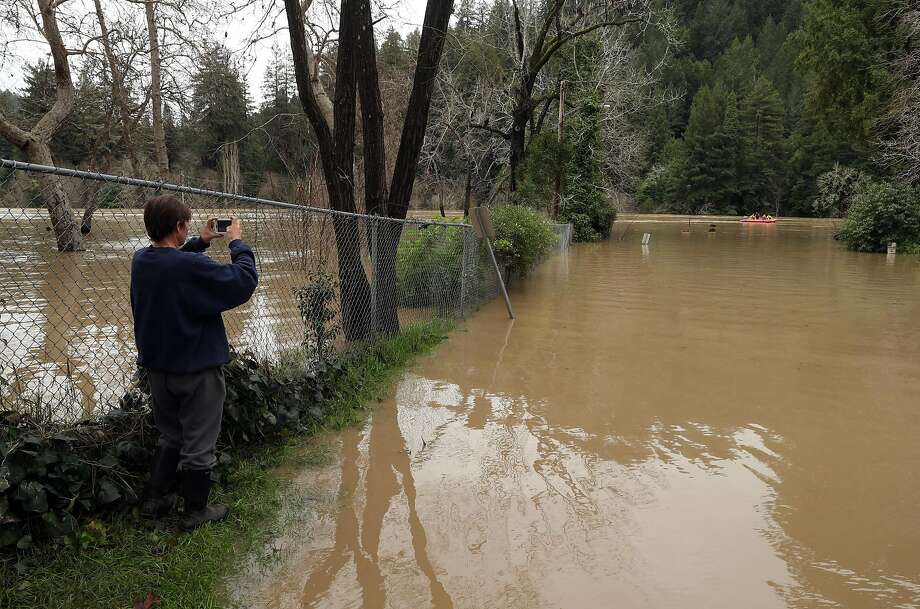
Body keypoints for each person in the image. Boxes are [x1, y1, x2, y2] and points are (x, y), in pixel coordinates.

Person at [130, 195, 258, 530]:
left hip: (159, 370)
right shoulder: (189, 268)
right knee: (199, 444)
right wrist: (237, 242)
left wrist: (200, 242)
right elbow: (243, 281)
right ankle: (196, 511)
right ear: (178, 226)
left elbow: (171, 263)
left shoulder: (141, 260)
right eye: (186, 223)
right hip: (197, 372)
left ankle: (153, 500)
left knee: (171, 435)